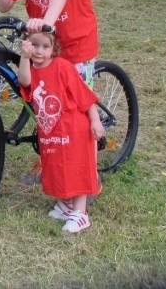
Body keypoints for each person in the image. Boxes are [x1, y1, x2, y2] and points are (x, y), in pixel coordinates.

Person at [0, 0, 100, 184]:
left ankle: (83, 177)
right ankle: (51, 161)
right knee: (48, 107)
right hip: (45, 49)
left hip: (76, 41)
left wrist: (48, 22)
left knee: (77, 114)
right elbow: (4, 4)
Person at [17, 30, 104, 234]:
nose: (39, 51)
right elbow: (24, 82)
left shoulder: (63, 67)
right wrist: (23, 56)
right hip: (52, 130)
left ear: (54, 48)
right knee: (57, 166)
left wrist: (95, 120)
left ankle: (80, 213)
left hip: (75, 128)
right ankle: (67, 205)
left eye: (45, 47)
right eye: (34, 45)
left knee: (77, 168)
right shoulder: (31, 69)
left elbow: (85, 95)